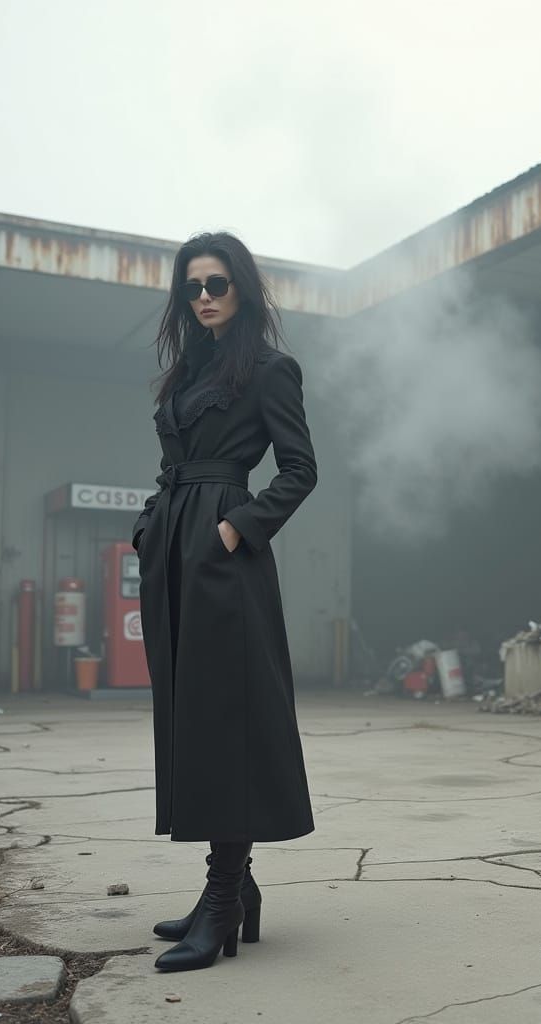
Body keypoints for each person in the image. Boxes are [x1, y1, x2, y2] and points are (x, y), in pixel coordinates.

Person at [131, 232, 318, 973]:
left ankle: (222, 901)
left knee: (226, 722)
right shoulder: (186, 373)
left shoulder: (270, 371)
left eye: (217, 284)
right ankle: (237, 889)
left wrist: (235, 529)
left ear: (243, 288)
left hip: (222, 560)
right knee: (188, 717)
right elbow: (173, 463)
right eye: (192, 287)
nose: (204, 297)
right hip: (173, 554)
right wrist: (152, 526)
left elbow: (301, 470)